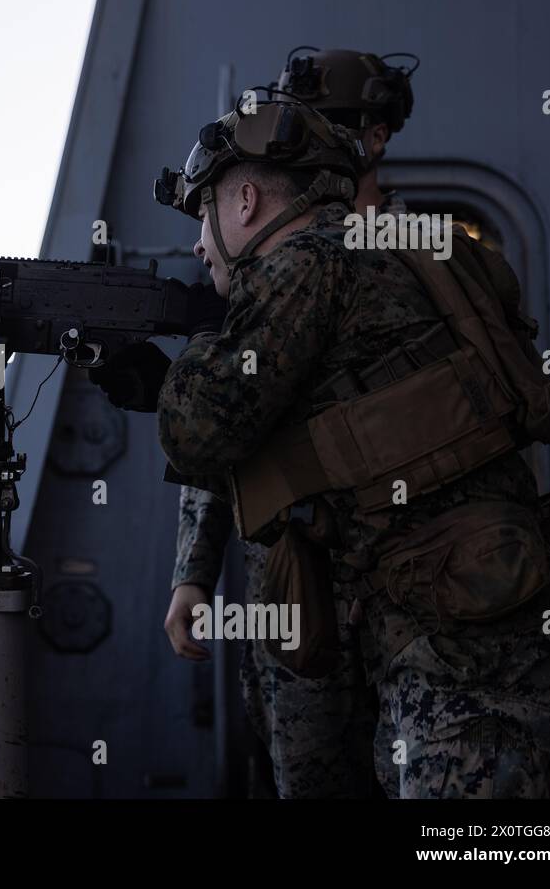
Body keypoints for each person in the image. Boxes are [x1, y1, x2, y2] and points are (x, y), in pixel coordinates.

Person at [94, 97, 550, 797]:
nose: (201, 245)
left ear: (247, 200)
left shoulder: (305, 262)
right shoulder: (389, 247)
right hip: (469, 599)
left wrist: (184, 368)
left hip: (462, 631)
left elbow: (203, 428)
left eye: (204, 215)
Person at [172, 49, 417, 798]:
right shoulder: (269, 261)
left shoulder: (410, 254)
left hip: (394, 579)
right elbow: (228, 430)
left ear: (374, 139)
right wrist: (194, 572)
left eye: (333, 127)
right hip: (290, 577)